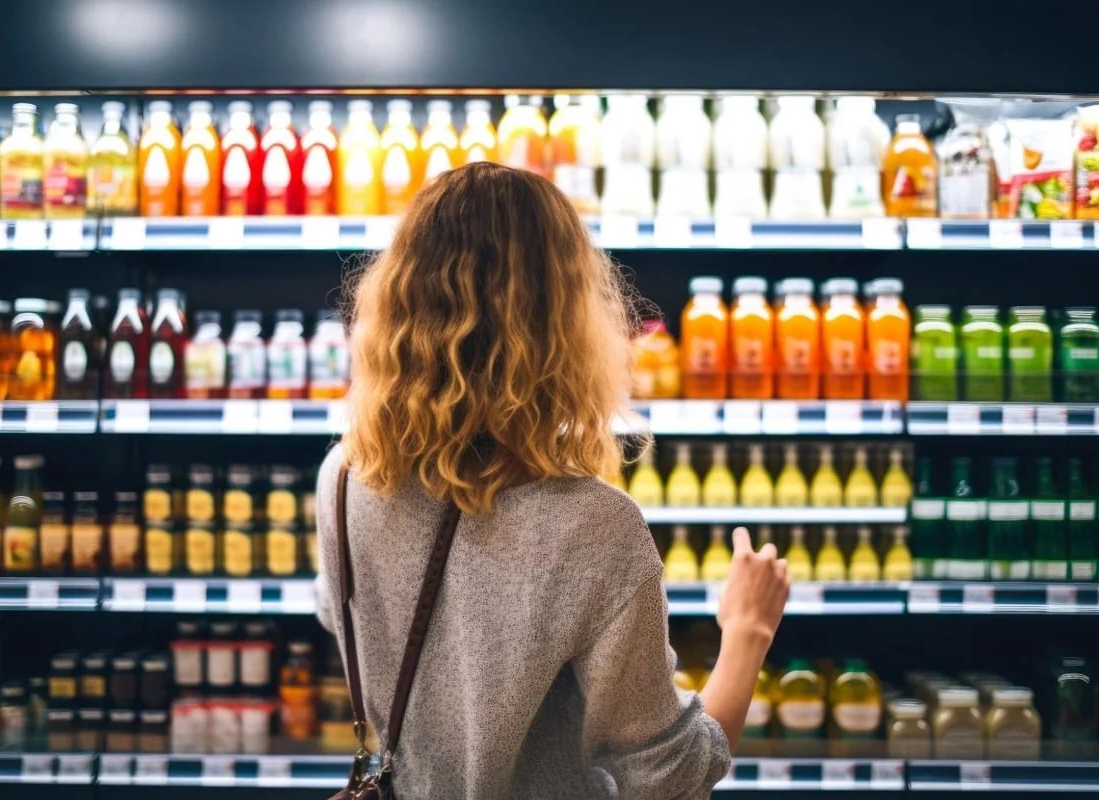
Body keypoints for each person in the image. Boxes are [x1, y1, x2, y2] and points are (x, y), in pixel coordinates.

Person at [316, 162, 789, 798]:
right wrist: (748, 633)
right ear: (564, 323)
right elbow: (668, 778)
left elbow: (343, 615)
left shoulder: (344, 475)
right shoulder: (592, 525)